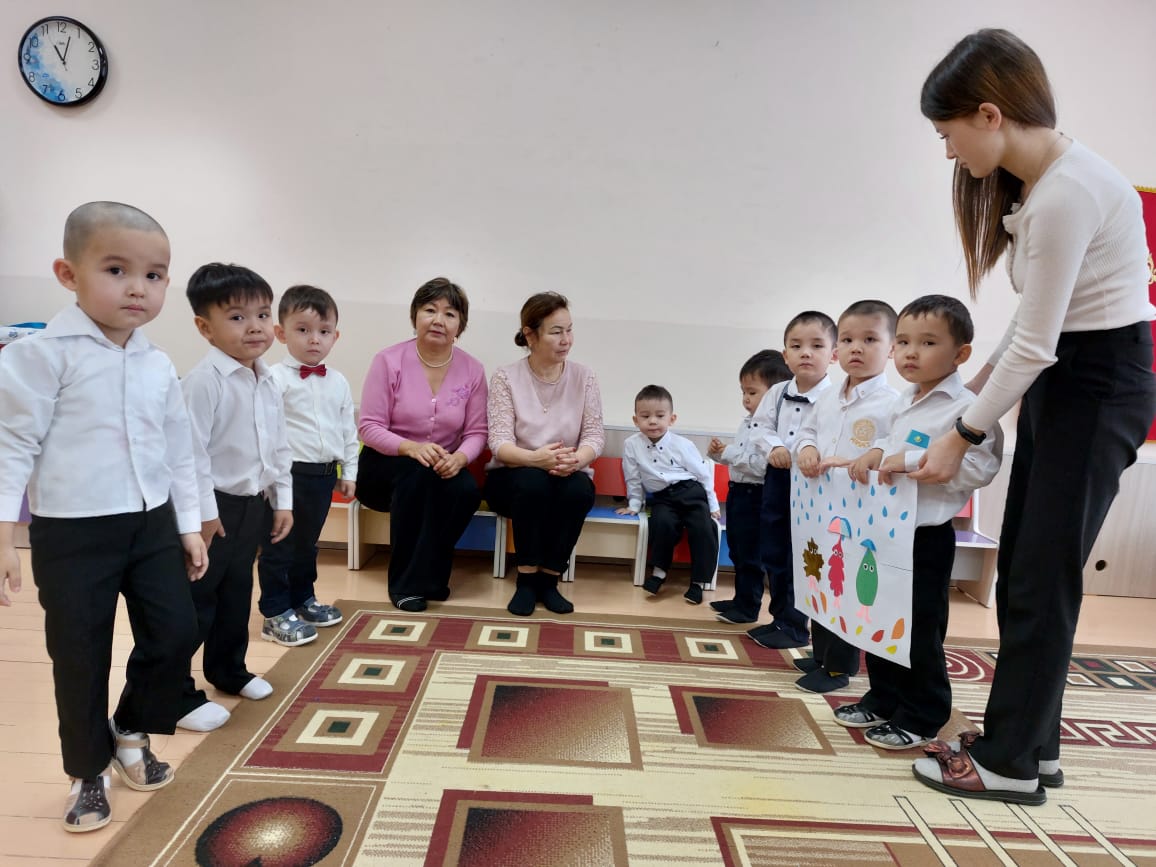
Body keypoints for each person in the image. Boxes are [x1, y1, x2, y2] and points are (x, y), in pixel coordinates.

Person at [911, 29, 1155, 805]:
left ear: (990, 114)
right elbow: (1033, 324)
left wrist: (962, 433)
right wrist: (973, 389)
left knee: (1041, 580)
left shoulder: (1065, 195)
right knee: (1027, 568)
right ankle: (1032, 745)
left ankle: (1010, 763)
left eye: (948, 133)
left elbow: (1039, 345)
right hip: (1071, 378)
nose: (949, 152)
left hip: (1098, 383)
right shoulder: (1044, 186)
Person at [0, 202, 209, 832]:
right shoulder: (40, 355)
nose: (138, 288)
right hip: (72, 532)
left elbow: (178, 449)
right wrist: (5, 533)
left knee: (176, 633)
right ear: (68, 273)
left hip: (150, 524)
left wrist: (189, 524)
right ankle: (87, 770)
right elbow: (12, 445)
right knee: (80, 653)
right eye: (117, 270)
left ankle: (131, 729)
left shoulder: (156, 362)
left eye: (155, 275)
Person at [835, 296, 1002, 750]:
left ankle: (923, 715)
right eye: (904, 341)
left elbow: (979, 468)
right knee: (879, 619)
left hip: (925, 537)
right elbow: (889, 441)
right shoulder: (904, 400)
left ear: (960, 353)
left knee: (919, 630)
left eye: (927, 343)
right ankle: (884, 698)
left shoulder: (968, 409)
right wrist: (875, 453)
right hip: (885, 531)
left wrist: (907, 461)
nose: (910, 352)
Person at [180, 263, 294, 718]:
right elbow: (189, 457)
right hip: (213, 509)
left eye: (263, 315)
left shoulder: (268, 379)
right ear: (205, 327)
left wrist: (282, 500)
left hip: (253, 504)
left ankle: (229, 669)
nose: (255, 327)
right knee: (196, 601)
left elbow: (279, 445)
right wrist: (204, 516)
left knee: (236, 592)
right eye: (237, 317)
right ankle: (173, 691)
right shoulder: (203, 383)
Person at [356, 278, 487, 612]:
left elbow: (477, 432)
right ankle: (405, 585)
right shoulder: (388, 361)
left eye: (450, 314)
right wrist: (410, 448)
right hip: (383, 466)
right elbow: (369, 427)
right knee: (416, 477)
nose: (438, 320)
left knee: (466, 490)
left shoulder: (473, 370)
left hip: (439, 464)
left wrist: (460, 459)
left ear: (460, 326)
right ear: (415, 316)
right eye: (430, 310)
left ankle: (431, 576)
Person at [791, 300, 901, 693]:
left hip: (861, 515)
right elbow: (807, 431)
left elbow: (896, 446)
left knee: (847, 587)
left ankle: (840, 667)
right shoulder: (827, 397)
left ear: (891, 348)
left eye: (870, 339)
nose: (857, 348)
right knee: (821, 578)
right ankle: (822, 654)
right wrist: (807, 448)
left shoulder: (893, 403)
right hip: (820, 507)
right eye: (849, 339)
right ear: (838, 349)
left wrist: (873, 454)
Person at [485, 292, 605, 616]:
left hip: (565, 471)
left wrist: (577, 460)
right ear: (530, 335)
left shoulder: (585, 377)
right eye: (556, 332)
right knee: (532, 484)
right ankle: (526, 580)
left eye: (569, 330)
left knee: (579, 491)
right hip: (512, 474)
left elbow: (594, 435)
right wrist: (535, 459)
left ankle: (549, 580)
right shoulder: (505, 377)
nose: (566, 340)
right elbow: (499, 443)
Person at [256, 285, 358, 638]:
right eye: (303, 329)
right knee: (279, 545)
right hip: (286, 477)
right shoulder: (273, 378)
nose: (314, 339)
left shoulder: (339, 382)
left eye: (324, 331)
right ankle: (274, 611)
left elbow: (347, 430)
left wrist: (349, 472)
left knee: (307, 545)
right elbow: (264, 432)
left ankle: (303, 599)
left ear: (335, 336)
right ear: (281, 333)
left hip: (322, 476)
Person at [744, 314, 839, 639]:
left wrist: (809, 453)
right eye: (796, 346)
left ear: (833, 354)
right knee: (774, 548)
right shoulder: (777, 392)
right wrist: (774, 447)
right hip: (777, 479)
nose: (806, 353)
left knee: (804, 552)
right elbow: (759, 426)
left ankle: (797, 625)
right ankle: (780, 618)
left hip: (814, 485)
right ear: (785, 355)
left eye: (817, 345)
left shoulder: (836, 397)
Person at [707, 351, 792, 621]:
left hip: (757, 495)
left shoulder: (773, 430)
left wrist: (730, 453)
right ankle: (740, 599)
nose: (745, 398)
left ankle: (748, 606)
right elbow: (740, 460)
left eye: (752, 392)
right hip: (738, 492)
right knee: (738, 549)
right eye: (743, 392)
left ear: (775, 395)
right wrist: (719, 454)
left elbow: (760, 466)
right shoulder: (747, 423)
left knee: (751, 552)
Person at [620, 385, 722, 605]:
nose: (653, 421)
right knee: (661, 523)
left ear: (671, 419)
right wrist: (634, 504)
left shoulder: (682, 445)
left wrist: (713, 505)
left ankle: (697, 583)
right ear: (636, 420)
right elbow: (633, 477)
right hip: (662, 497)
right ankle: (659, 572)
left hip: (690, 492)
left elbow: (703, 475)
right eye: (645, 416)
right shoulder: (631, 445)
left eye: (660, 416)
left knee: (704, 528)